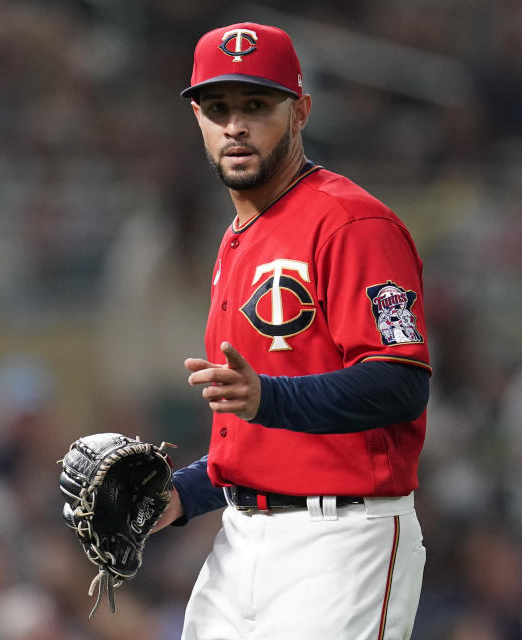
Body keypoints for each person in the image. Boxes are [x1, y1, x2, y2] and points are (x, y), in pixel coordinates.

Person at [153, 22, 432, 640]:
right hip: (240, 539)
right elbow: (258, 439)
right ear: (197, 116)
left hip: (343, 542)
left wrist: (271, 397)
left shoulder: (353, 223)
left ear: (300, 110)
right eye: (218, 107)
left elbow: (403, 382)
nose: (236, 126)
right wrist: (180, 497)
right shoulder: (236, 239)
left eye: (257, 105)